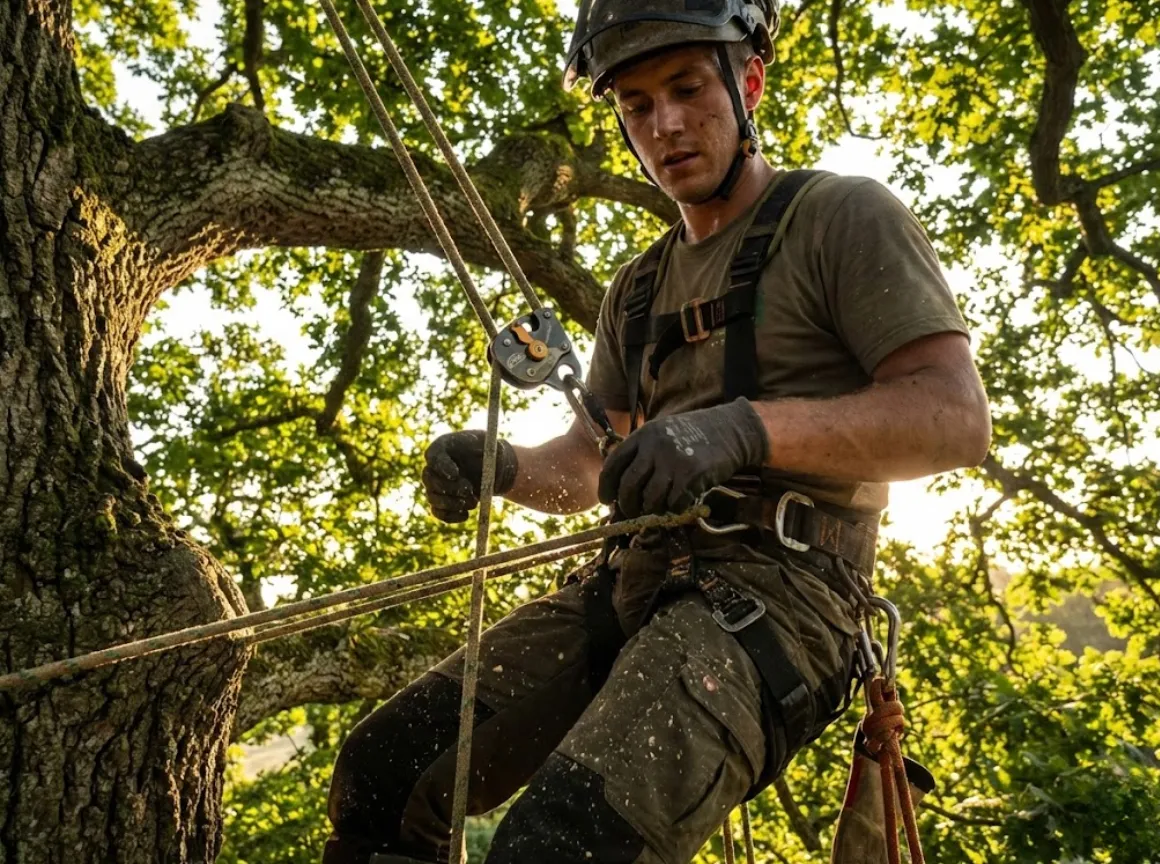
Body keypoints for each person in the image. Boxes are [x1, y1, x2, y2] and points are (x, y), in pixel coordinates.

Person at [322, 2, 991, 862]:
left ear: (748, 81)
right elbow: (592, 464)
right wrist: (503, 466)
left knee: (559, 845)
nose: (665, 123)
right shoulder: (635, 289)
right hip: (634, 576)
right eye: (636, 105)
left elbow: (953, 418)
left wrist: (742, 431)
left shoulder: (840, 218)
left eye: (686, 87)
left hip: (785, 599)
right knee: (381, 774)